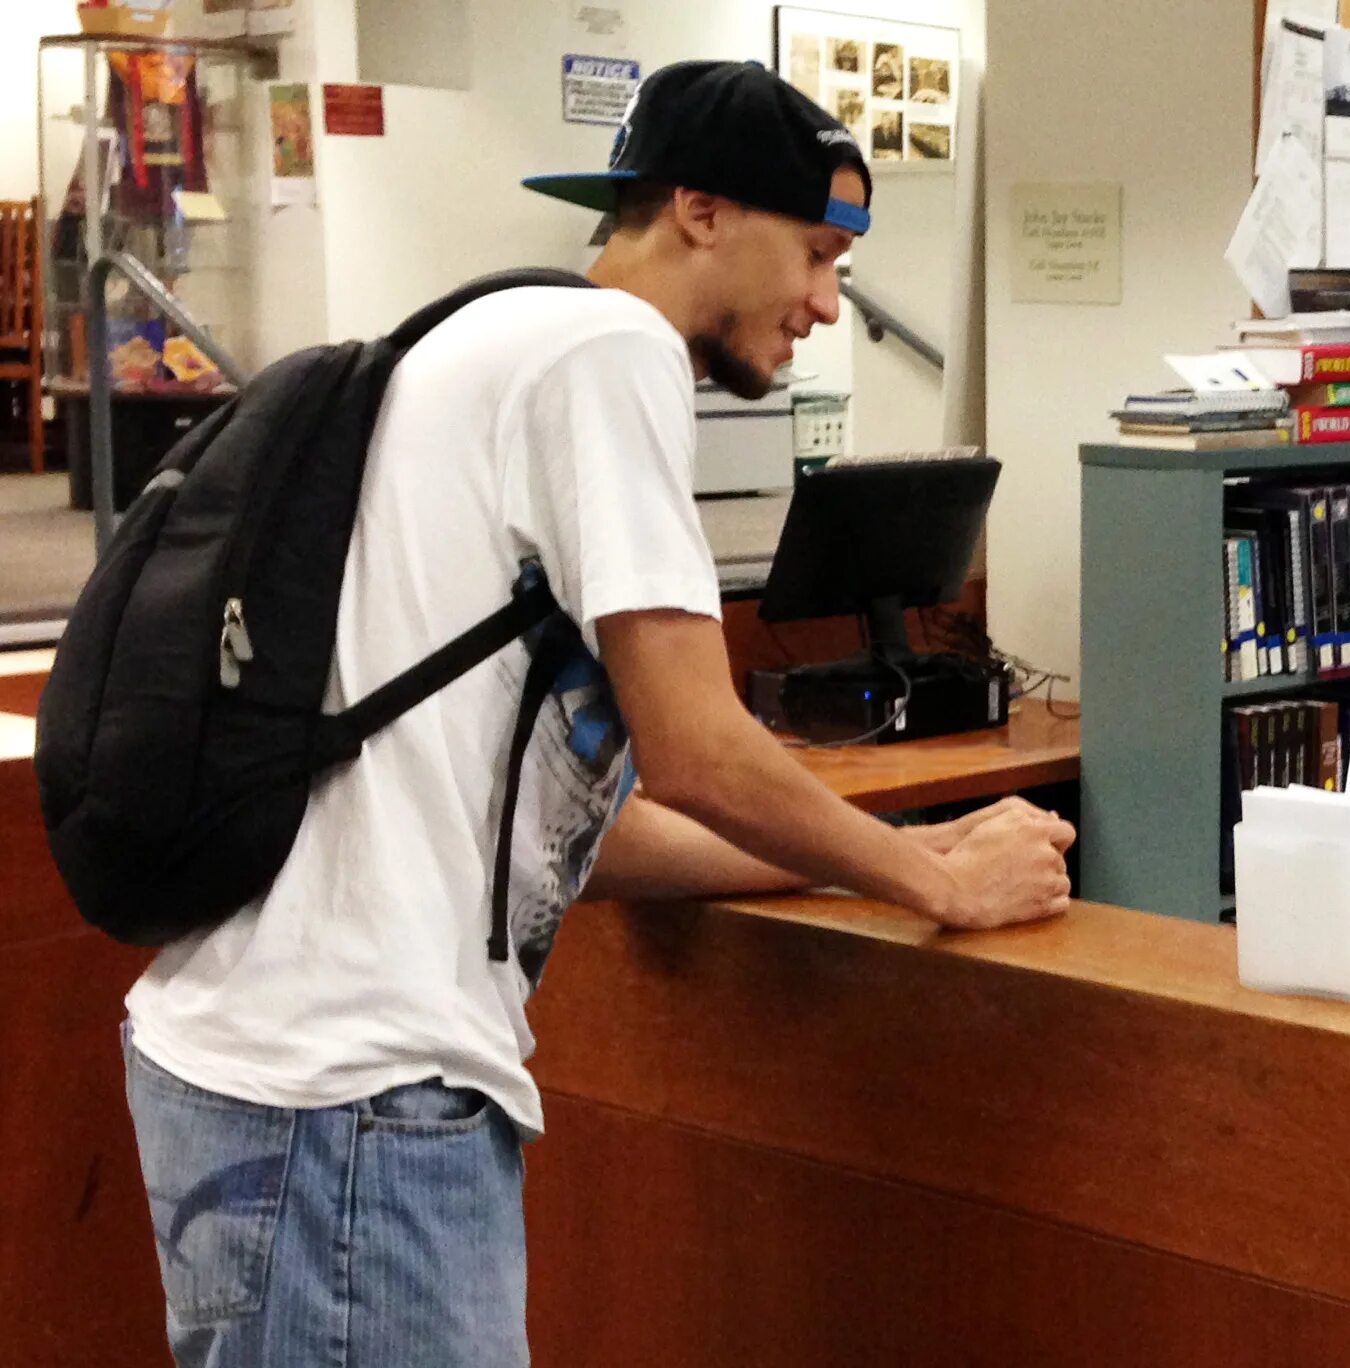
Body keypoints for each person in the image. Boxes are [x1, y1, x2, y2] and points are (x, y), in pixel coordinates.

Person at [119, 60, 1073, 1367]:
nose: (822, 303)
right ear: (699, 209)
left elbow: (591, 836)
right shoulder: (604, 351)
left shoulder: (492, 335)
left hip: (275, 1086)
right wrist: (938, 886)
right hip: (351, 1109)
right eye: (815, 251)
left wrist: (879, 873)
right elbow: (692, 749)